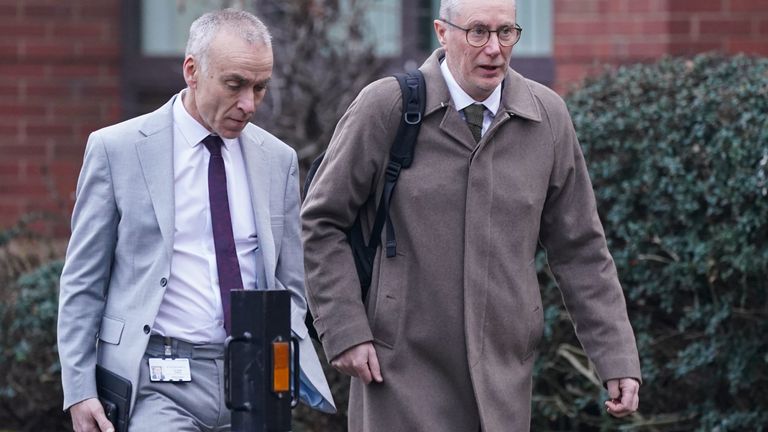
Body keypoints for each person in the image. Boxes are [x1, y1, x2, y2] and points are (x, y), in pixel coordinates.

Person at [301, 0, 641, 430]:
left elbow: (581, 251)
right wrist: (346, 331)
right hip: (398, 372)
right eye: (478, 31)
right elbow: (322, 221)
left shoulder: (547, 117)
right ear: (443, 33)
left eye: (506, 32)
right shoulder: (386, 106)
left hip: (502, 378)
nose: (494, 48)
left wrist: (617, 359)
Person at [57, 9, 334, 432]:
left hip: (253, 376)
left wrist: (281, 364)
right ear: (192, 70)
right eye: (235, 84)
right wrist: (79, 389)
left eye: (260, 87)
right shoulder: (117, 150)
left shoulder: (276, 159)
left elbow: (289, 283)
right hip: (154, 378)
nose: (249, 104)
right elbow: (82, 281)